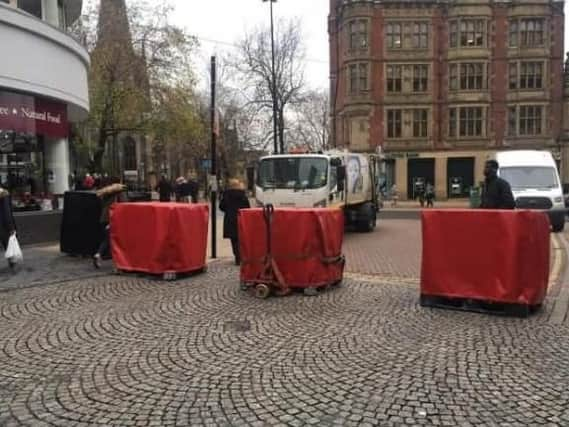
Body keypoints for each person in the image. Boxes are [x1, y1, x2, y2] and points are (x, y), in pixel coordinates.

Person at [93, 180, 126, 269]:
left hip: (103, 219)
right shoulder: (119, 195)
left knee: (107, 239)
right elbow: (124, 206)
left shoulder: (105, 196)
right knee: (112, 240)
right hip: (112, 219)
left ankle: (98, 255)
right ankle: (101, 255)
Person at [220, 179, 250, 265]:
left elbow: (221, 206)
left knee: (234, 239)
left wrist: (228, 210)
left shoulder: (226, 195)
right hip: (240, 218)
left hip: (230, 219)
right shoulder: (243, 195)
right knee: (241, 239)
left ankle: (237, 256)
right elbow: (247, 207)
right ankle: (240, 256)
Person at [0, 187, 16, 269]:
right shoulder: (4, 194)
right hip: (3, 226)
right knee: (8, 244)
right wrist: (11, 227)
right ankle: (11, 262)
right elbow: (7, 213)